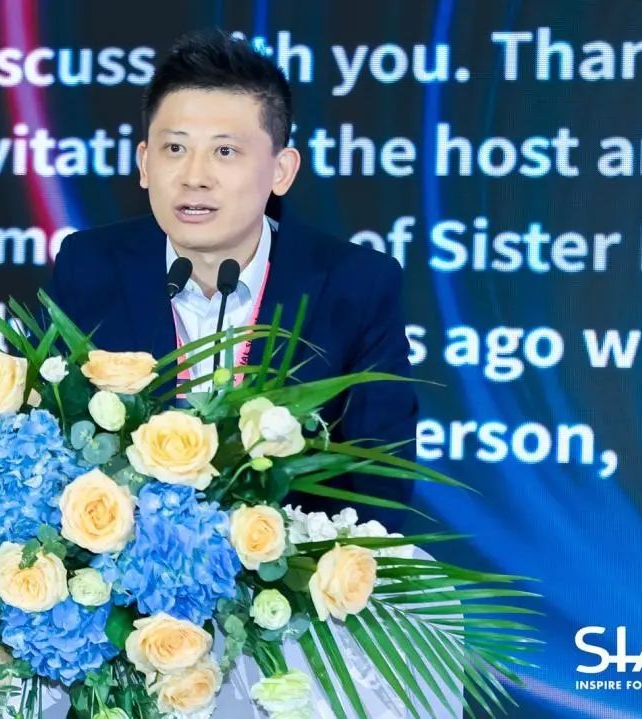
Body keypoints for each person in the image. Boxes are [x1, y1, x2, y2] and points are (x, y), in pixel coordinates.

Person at [42, 28, 419, 508]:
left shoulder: (355, 286)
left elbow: (380, 488)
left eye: (225, 151)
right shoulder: (89, 267)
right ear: (144, 163)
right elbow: (47, 445)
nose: (194, 177)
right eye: (174, 149)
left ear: (281, 170)